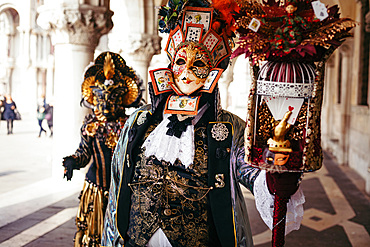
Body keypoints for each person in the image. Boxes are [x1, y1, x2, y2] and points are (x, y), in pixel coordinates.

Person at [101, 2, 303, 247]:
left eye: (197, 64)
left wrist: (276, 169)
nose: (185, 72)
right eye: (180, 62)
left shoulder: (230, 129)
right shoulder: (139, 121)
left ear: (213, 72)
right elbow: (117, 184)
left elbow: (252, 174)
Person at [62, 52, 142, 247]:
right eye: (101, 99)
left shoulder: (129, 126)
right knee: (94, 233)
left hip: (123, 189)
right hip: (96, 188)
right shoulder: (91, 125)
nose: (106, 105)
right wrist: (72, 161)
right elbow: (84, 153)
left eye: (112, 99)